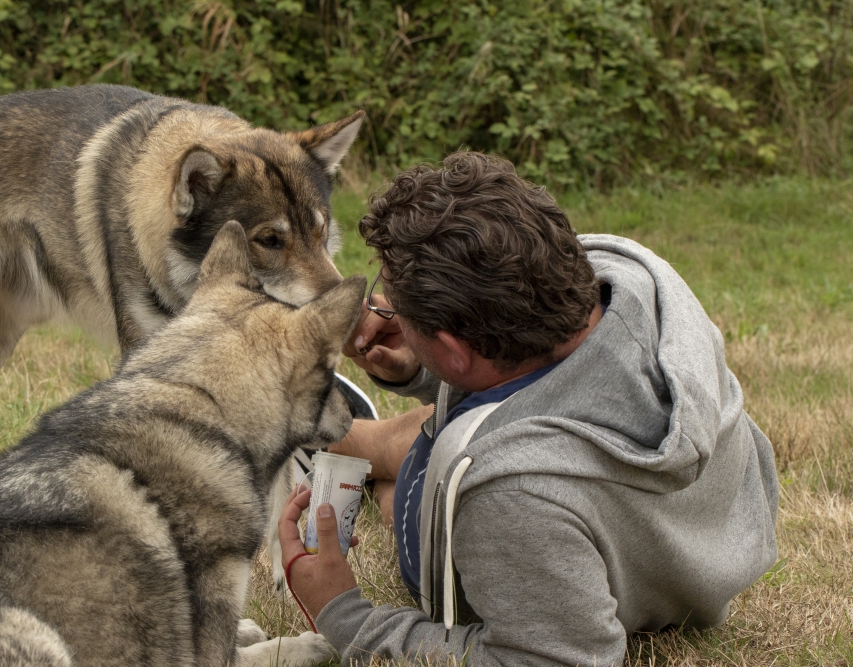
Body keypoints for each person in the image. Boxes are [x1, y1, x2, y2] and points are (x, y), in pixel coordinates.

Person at [277, 152, 779, 666]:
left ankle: (308, 428)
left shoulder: (513, 492)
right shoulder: (637, 285)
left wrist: (343, 614)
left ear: (456, 350)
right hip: (685, 559)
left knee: (408, 462)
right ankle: (336, 438)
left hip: (514, 522)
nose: (384, 310)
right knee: (406, 452)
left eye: (396, 309)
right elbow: (514, 361)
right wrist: (417, 364)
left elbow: (547, 660)